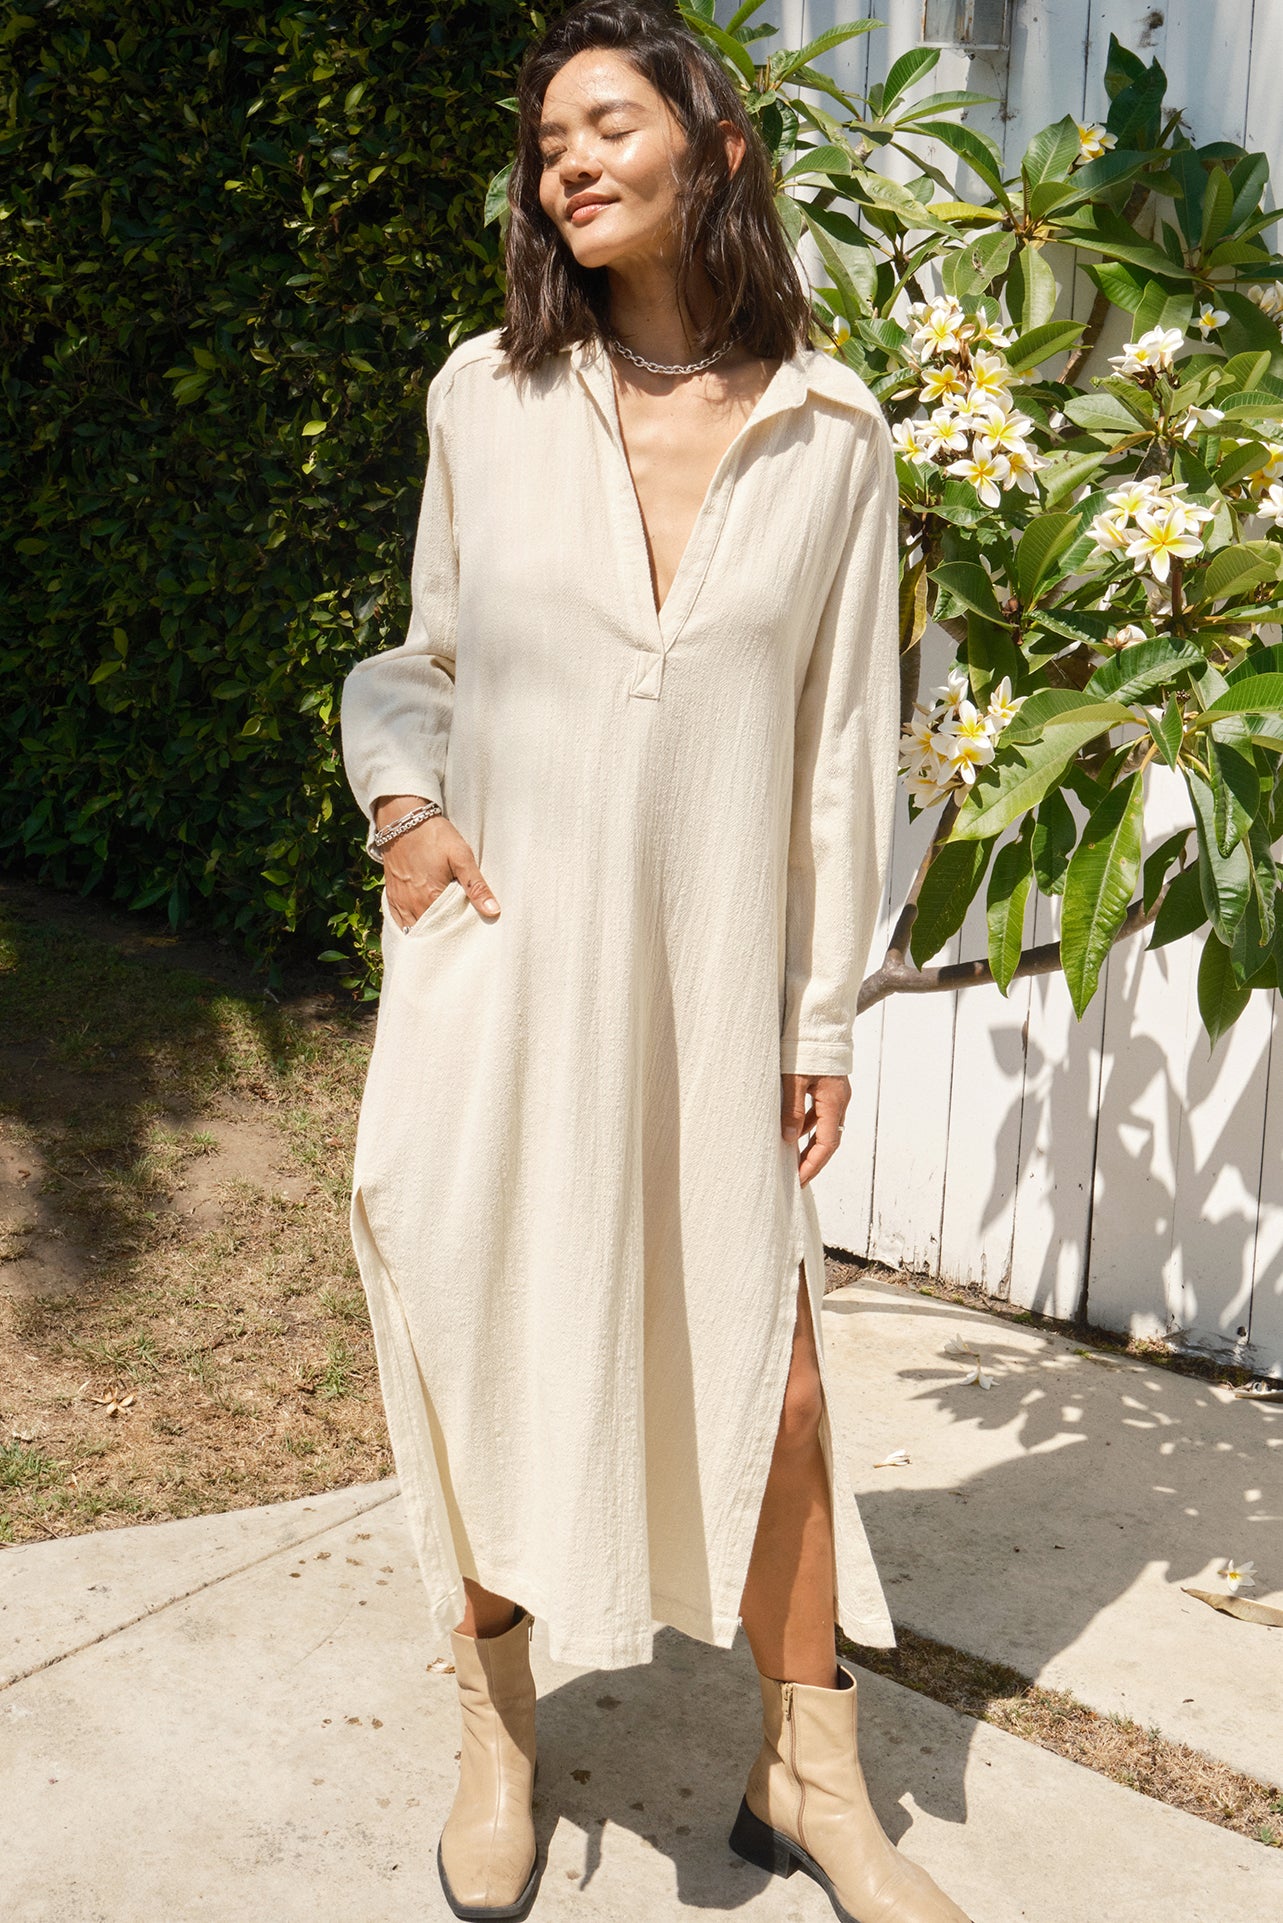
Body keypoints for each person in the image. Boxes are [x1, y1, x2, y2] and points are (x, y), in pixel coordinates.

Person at [339, 3, 971, 1919]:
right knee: (489, 1333)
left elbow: (840, 754)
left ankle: (813, 1773)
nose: (570, 163)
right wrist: (401, 813)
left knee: (777, 1383)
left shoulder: (832, 429)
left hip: (712, 986)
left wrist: (819, 1012)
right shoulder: (488, 393)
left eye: (608, 123)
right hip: (511, 964)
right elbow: (419, 660)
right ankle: (498, 1730)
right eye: (548, 145)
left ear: (720, 142)